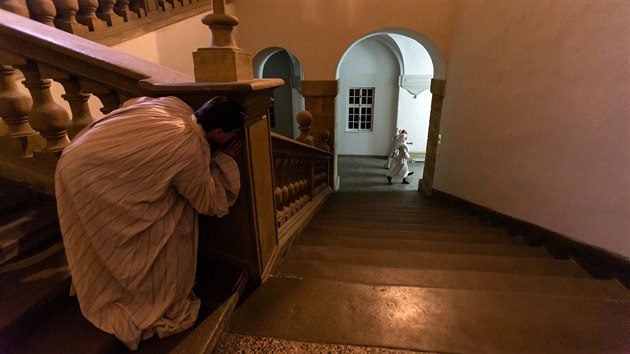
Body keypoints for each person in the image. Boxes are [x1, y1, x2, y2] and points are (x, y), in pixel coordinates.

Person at [55, 95, 245, 350]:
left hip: (78, 155)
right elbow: (208, 202)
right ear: (218, 131)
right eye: (231, 133)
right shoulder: (188, 149)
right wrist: (224, 160)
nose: (233, 138)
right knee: (142, 238)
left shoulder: (175, 105)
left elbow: (132, 103)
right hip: (91, 176)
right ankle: (139, 296)